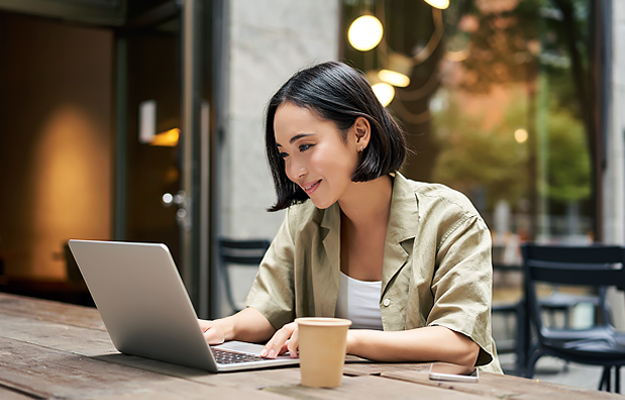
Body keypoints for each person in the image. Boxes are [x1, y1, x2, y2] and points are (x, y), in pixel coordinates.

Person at [200, 61, 502, 373]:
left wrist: (343, 339)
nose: (294, 170)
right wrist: (223, 328)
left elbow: (461, 345)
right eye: (285, 154)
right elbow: (268, 309)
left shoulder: (451, 218)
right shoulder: (303, 220)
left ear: (359, 133)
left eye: (305, 145)